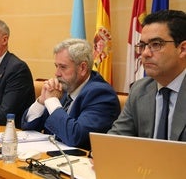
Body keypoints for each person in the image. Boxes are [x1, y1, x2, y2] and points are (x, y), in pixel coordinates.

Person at [21, 38, 120, 150]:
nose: (56, 73)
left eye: (63, 67)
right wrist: (42, 101)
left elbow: (75, 137)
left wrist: (52, 101)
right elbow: (28, 127)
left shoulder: (101, 94)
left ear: (83, 68)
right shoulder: (64, 88)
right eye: (56, 66)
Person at [108, 10, 186, 141]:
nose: (145, 53)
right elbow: (116, 140)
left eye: (156, 44)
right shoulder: (139, 90)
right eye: (142, 46)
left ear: (182, 49)